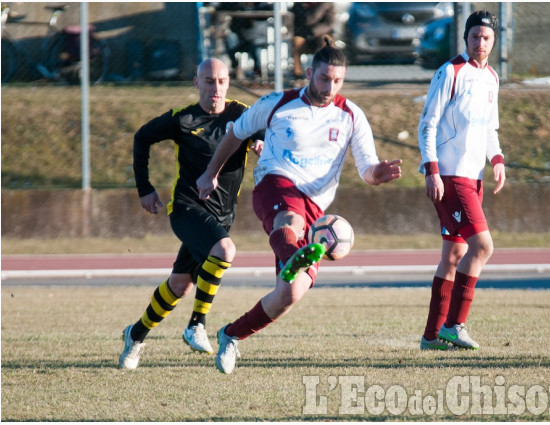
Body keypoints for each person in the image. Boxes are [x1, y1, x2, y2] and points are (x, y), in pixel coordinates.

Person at [196, 38, 402, 374]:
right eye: (324, 78)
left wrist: (378, 173)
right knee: (288, 219)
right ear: (309, 73)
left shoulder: (350, 116)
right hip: (274, 183)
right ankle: (294, 254)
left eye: (337, 81)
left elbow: (367, 168)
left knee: (289, 295)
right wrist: (210, 174)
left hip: (315, 208)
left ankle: (230, 335)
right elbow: (235, 133)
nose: (329, 86)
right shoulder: (278, 103)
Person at [119, 58, 264, 369]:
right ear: (197, 82)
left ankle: (135, 335)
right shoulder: (182, 119)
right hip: (186, 208)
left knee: (179, 285)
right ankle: (196, 324)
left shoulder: (243, 114)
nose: (216, 88)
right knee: (224, 251)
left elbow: (267, 134)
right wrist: (144, 187)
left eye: (222, 81)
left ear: (228, 82)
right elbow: (142, 137)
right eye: (209, 81)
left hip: (222, 216)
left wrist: (262, 143)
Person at [417, 10, 506, 351]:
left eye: (485, 38)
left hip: (475, 177)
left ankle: (431, 337)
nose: (479, 43)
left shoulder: (492, 78)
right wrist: (432, 170)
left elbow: (489, 129)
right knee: (482, 247)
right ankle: (454, 325)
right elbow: (428, 124)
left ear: (494, 41)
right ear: (465, 38)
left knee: (454, 254)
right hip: (451, 177)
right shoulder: (450, 71)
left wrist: (496, 160)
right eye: (474, 37)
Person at [291, 2, 336, 79]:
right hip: (303, 34)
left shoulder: (326, 4)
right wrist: (304, 33)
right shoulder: (298, 5)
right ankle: (297, 74)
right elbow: (295, 23)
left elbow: (329, 24)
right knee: (296, 41)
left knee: (326, 41)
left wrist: (312, 32)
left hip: (321, 33)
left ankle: (327, 71)